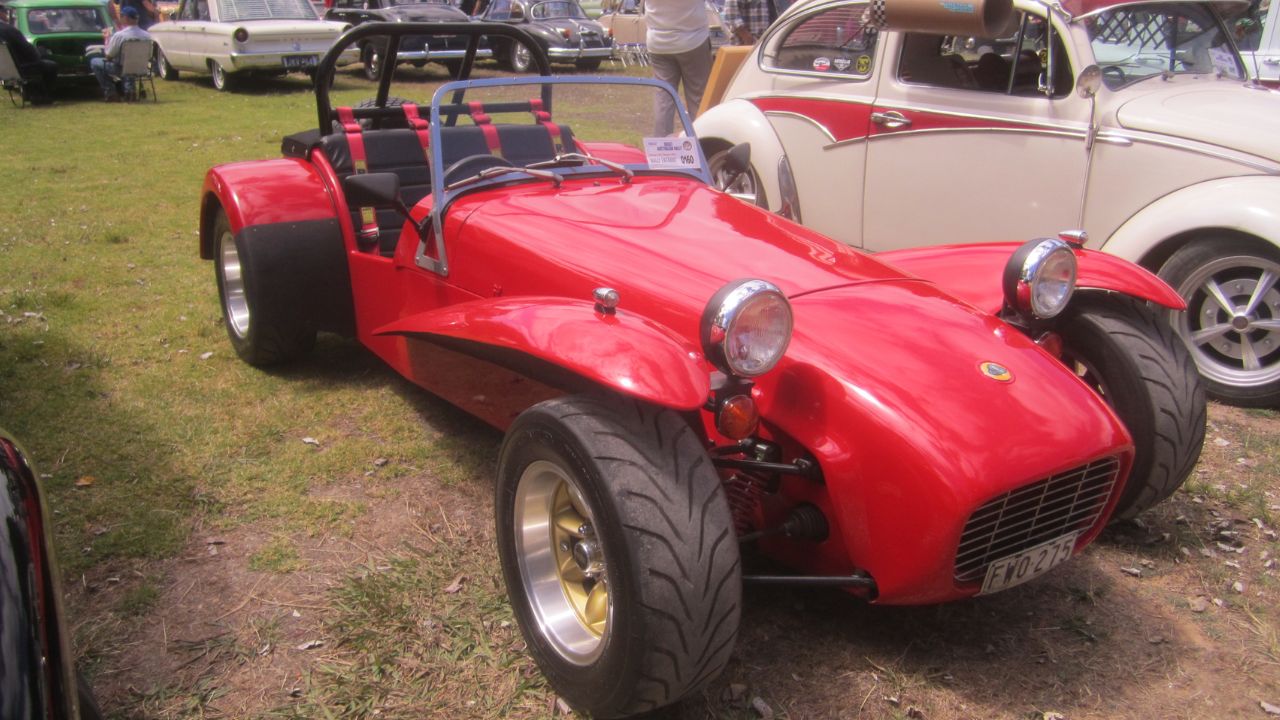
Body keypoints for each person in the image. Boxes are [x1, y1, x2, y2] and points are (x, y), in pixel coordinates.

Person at [646, 0, 713, 136]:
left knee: (663, 101)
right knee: (699, 100)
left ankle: (661, 145)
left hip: (658, 41)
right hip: (693, 40)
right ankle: (701, 140)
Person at [90, 5, 151, 101]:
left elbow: (109, 55)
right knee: (127, 66)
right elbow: (149, 55)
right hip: (142, 68)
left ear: (126, 18)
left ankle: (110, 92)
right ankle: (130, 91)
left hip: (122, 69)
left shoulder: (119, 36)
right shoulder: (147, 36)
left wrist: (107, 41)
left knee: (95, 62)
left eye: (121, 16)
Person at [0, 7, 58, 104]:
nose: (7, 15)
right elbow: (26, 48)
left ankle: (31, 93)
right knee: (51, 66)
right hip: (22, 66)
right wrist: (37, 57)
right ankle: (42, 96)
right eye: (5, 13)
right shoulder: (8, 29)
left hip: (5, 69)